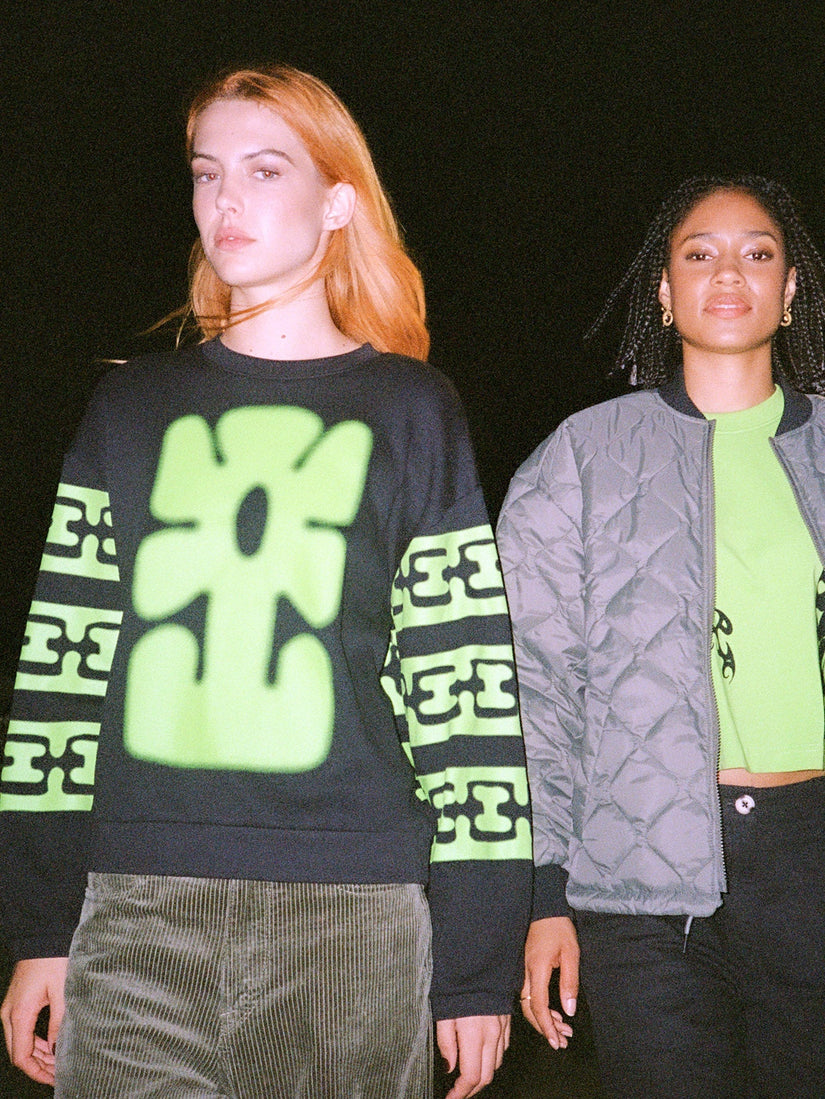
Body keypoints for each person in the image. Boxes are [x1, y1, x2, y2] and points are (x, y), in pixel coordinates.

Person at [0, 65, 537, 1099]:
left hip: (354, 917)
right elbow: (62, 678)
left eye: (264, 169)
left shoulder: (412, 410)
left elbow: (463, 690)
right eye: (207, 172)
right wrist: (39, 924)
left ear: (337, 201)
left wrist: (475, 957)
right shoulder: (129, 410)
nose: (225, 199)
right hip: (136, 908)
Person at [496, 175, 825, 1097]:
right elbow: (532, 688)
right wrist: (542, 893)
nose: (728, 272)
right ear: (664, 291)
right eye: (698, 253)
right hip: (639, 879)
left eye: (756, 252)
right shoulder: (581, 456)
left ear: (789, 289)